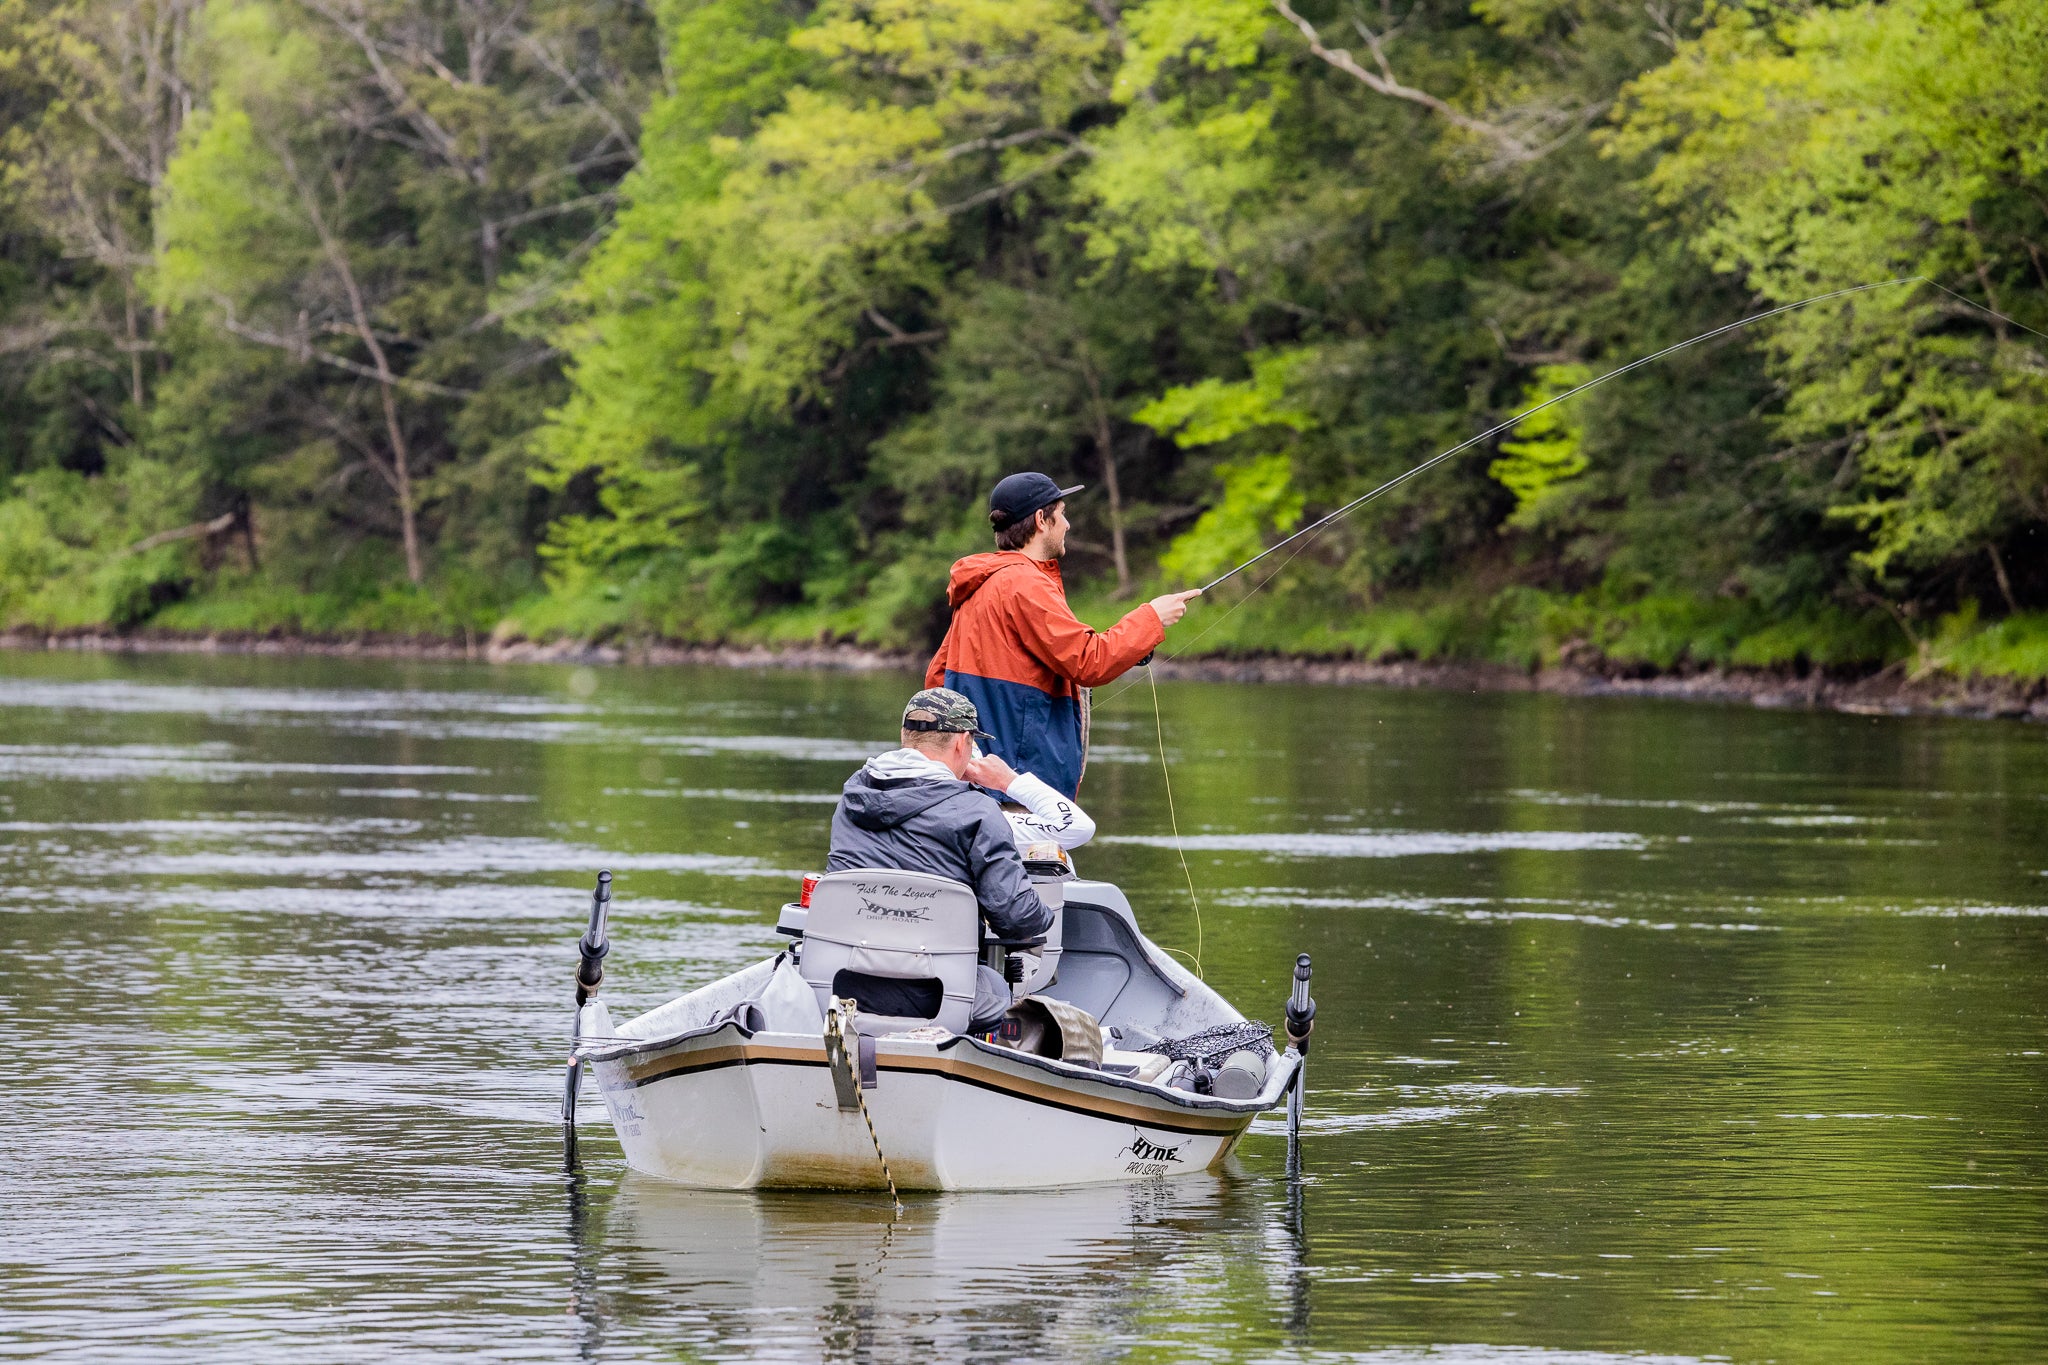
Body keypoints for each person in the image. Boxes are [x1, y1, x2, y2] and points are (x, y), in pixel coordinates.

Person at [926, 471, 1202, 799]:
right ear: (1042, 520)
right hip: (1016, 793)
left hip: (977, 791)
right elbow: (1088, 662)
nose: (1067, 524)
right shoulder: (1025, 584)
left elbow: (937, 678)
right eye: (1062, 513)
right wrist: (1152, 618)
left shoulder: (983, 584)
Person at [827, 688, 1057, 1030]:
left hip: (843, 987)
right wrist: (1046, 913)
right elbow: (1018, 919)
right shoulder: (977, 811)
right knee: (994, 985)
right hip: (934, 998)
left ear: (906, 737)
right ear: (963, 743)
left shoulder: (852, 797)